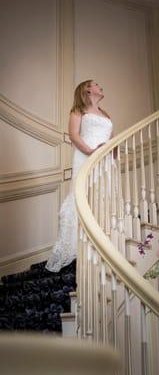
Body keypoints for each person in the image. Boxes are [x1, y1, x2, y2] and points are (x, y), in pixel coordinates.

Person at [45, 79, 113, 272]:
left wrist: (113, 152)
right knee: (83, 196)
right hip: (87, 156)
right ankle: (77, 246)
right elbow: (74, 135)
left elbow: (110, 137)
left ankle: (101, 242)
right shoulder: (78, 110)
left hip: (106, 161)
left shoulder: (106, 114)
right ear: (87, 89)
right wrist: (91, 152)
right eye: (97, 84)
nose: (101, 86)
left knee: (103, 196)